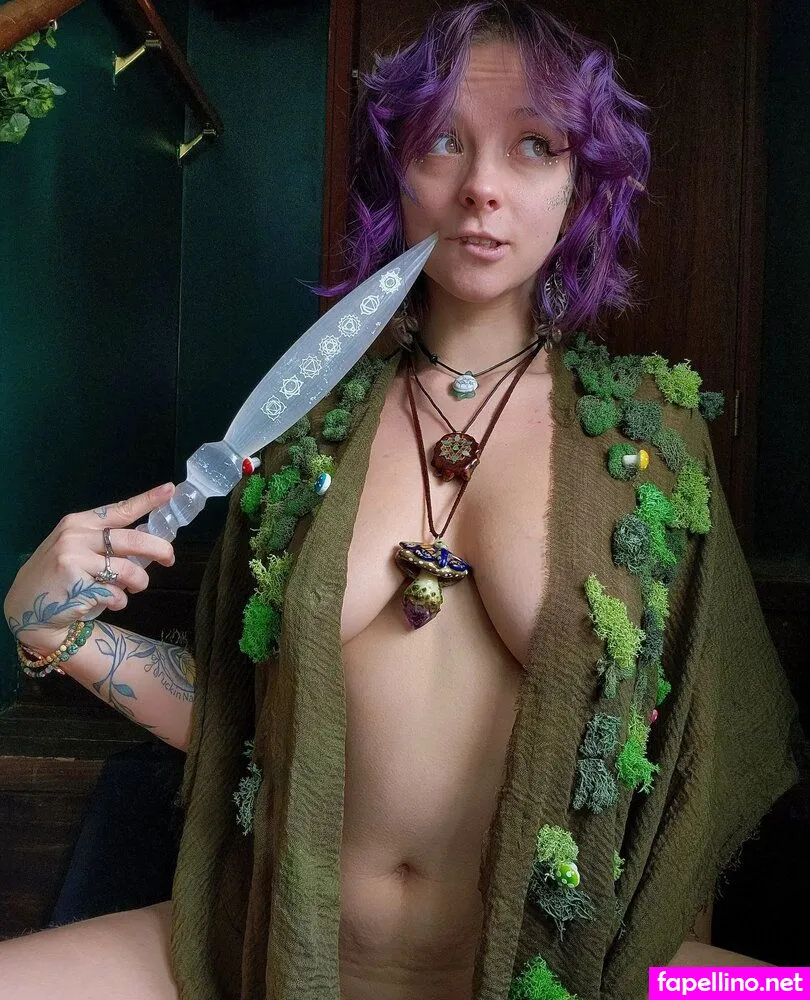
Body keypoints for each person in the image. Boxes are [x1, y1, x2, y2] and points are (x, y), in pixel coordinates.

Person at [1, 2, 800, 999]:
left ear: (583, 182)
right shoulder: (302, 431)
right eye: (442, 142)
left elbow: (693, 765)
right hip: (265, 951)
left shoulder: (649, 442)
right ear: (397, 170)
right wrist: (54, 628)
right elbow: (241, 717)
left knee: (785, 992)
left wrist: (655, 970)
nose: (481, 188)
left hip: (565, 975)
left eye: (534, 146)